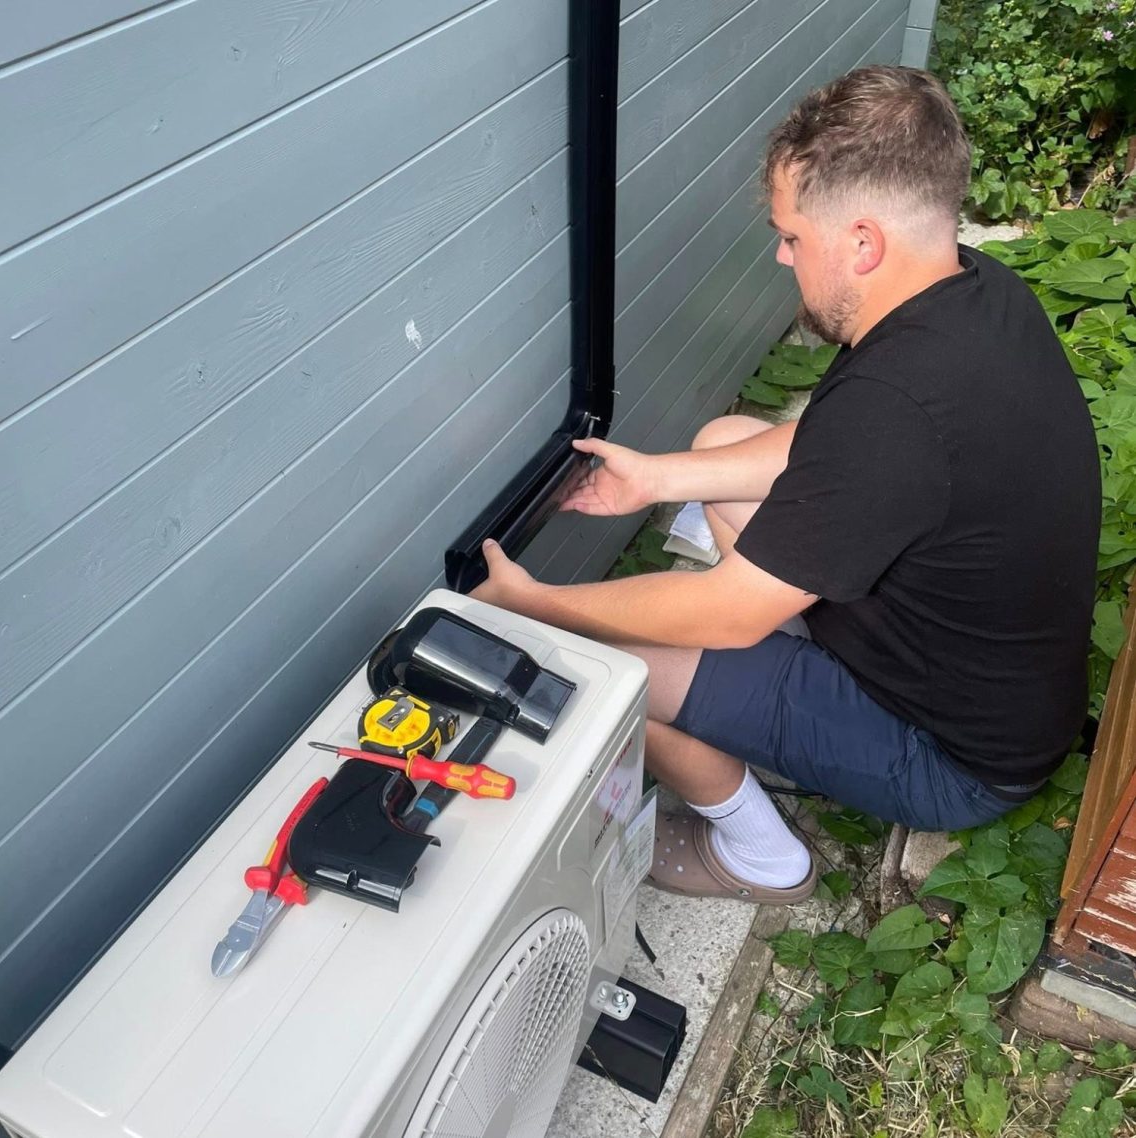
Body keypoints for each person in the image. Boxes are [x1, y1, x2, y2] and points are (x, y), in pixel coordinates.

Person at [471, 65, 1101, 905]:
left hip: (950, 756)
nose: (780, 254)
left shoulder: (898, 405)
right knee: (724, 444)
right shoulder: (975, 294)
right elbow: (837, 445)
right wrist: (656, 477)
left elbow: (729, 612)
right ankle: (784, 672)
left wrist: (539, 603)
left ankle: (761, 857)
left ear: (863, 243)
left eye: (793, 236)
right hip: (983, 679)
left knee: (602, 663)